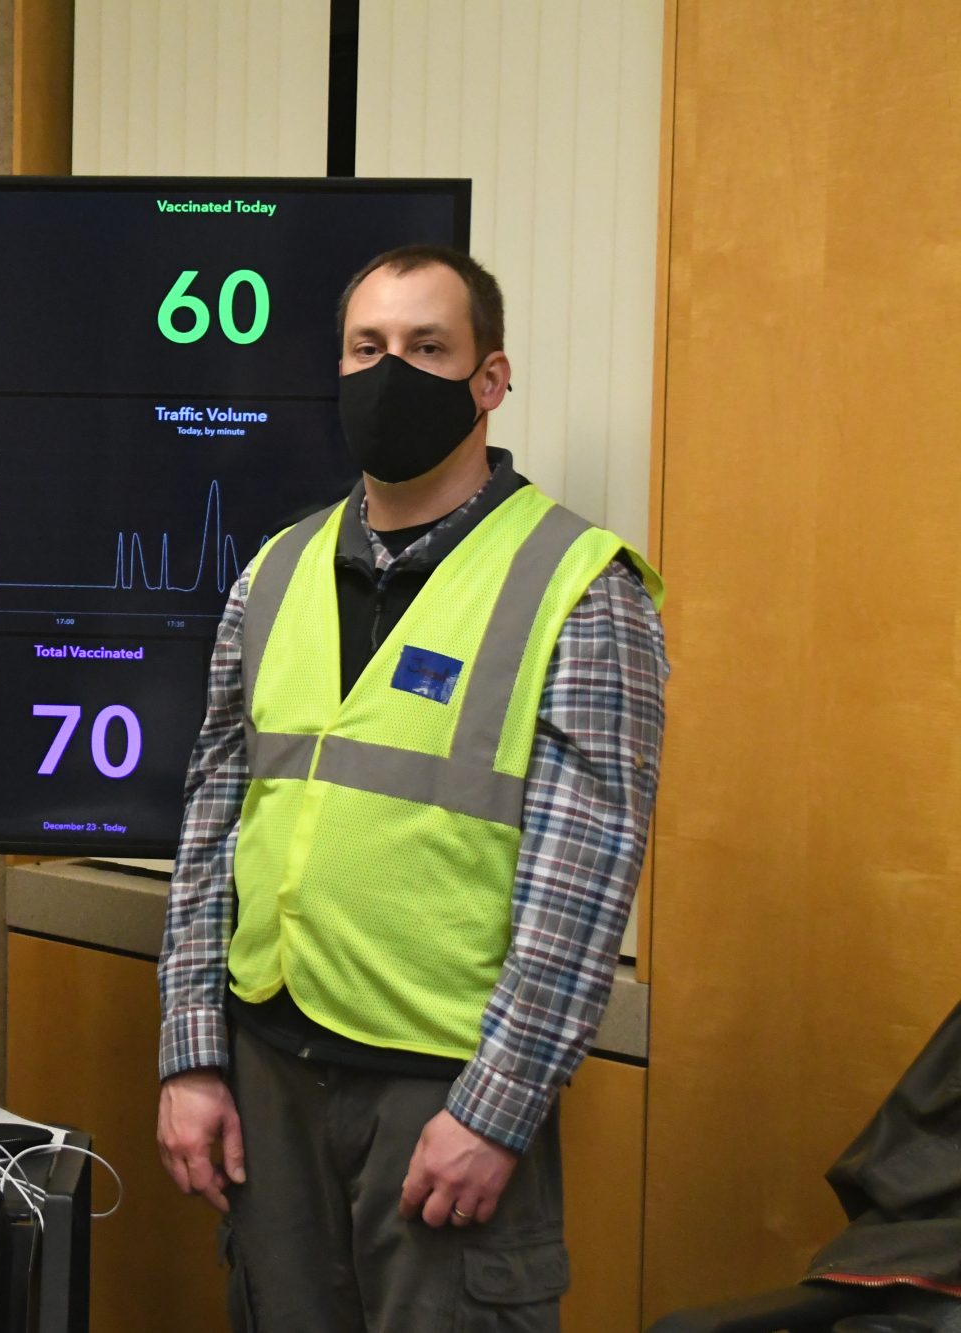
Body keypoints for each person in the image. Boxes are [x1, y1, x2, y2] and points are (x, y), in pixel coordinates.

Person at [155, 245, 669, 1331]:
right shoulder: (271, 573)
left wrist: (495, 1110)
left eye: (427, 348)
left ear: (489, 380)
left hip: (440, 1098)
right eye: (367, 347)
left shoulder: (579, 587)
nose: (391, 371)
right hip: (268, 1077)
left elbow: (579, 883)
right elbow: (211, 825)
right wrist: (191, 1055)